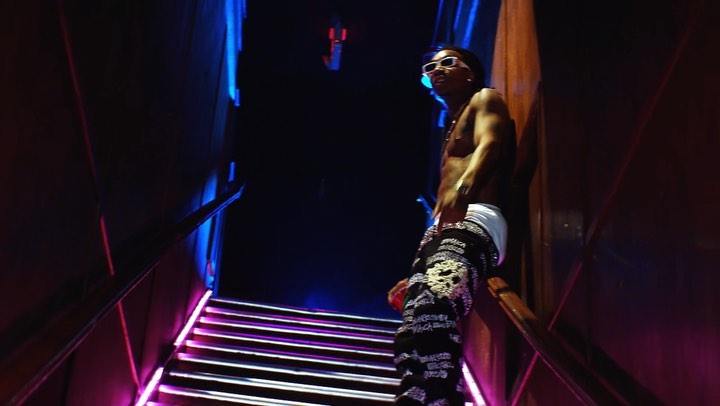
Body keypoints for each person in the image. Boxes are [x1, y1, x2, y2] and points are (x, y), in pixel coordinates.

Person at [389, 45, 514, 405]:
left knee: (433, 303)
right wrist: (417, 271)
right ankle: (415, 397)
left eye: (448, 62)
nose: (437, 70)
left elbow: (491, 144)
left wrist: (463, 189)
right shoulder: (449, 125)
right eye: (431, 67)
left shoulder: (484, 99)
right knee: (411, 323)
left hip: (477, 216)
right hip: (441, 231)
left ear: (470, 73)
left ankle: (445, 397)